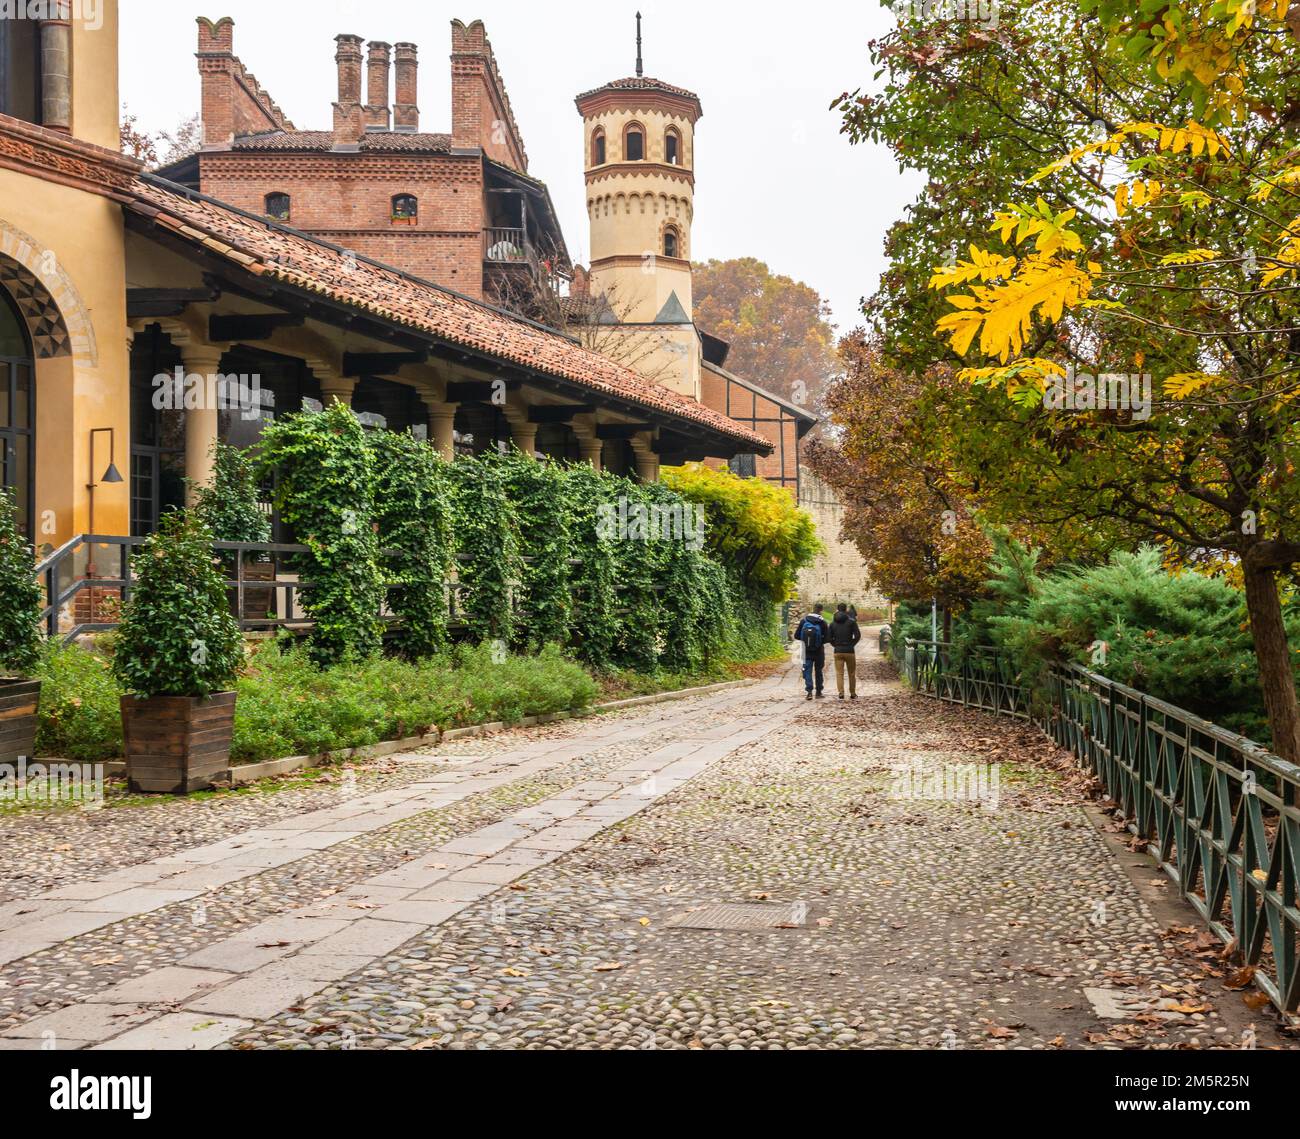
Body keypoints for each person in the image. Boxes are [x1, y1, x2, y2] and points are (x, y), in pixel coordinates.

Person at [793, 606, 830, 700]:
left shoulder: (804, 621)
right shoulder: (823, 622)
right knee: (819, 671)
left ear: (812, 610)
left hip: (806, 651)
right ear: (821, 611)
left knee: (807, 671)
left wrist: (805, 640)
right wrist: (819, 642)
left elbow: (796, 635)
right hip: (819, 651)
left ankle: (809, 692)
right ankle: (818, 692)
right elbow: (827, 638)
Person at [828, 603, 862, 700]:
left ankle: (841, 693)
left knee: (839, 673)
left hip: (838, 651)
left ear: (837, 609)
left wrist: (835, 645)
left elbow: (829, 638)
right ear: (846, 609)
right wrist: (852, 644)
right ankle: (852, 693)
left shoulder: (833, 623)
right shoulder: (851, 622)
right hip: (849, 651)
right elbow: (858, 635)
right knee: (851, 673)